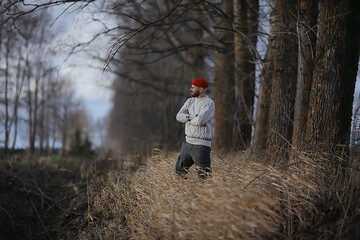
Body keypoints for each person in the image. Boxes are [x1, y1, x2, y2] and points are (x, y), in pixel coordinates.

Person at [175, 78, 215, 179]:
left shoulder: (209, 103)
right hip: (187, 143)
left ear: (200, 89)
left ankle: (204, 194)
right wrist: (193, 116)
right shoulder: (190, 101)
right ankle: (184, 193)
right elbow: (179, 116)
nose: (190, 89)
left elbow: (200, 121)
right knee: (179, 172)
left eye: (193, 87)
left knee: (204, 176)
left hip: (201, 146)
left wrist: (187, 118)